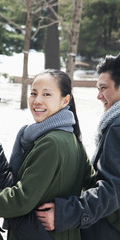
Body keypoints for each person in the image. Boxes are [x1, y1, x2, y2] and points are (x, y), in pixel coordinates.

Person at [0, 69, 95, 240]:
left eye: (47, 94)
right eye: (33, 93)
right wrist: (66, 211)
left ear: (65, 100)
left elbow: (20, 201)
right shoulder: (70, 138)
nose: (37, 100)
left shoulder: (51, 142)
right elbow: (92, 183)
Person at [35, 54, 120, 239]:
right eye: (98, 88)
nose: (99, 95)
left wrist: (65, 214)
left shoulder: (117, 126)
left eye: (103, 88)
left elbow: (112, 190)